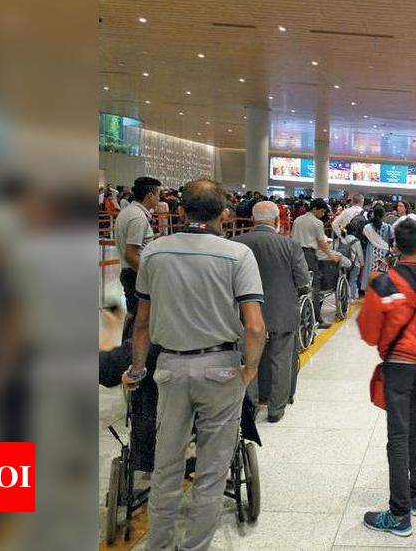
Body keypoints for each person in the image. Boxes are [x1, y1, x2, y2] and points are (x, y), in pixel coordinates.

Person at [121, 179, 267, 551]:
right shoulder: (237, 256)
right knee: (212, 471)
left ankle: (160, 544)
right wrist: (248, 370)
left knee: (166, 467)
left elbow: (141, 322)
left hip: (170, 367)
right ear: (224, 213)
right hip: (220, 366)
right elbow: (254, 326)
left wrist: (138, 369)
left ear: (181, 211)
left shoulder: (154, 253)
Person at [357, 219, 416, 537]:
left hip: (398, 366)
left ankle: (399, 515)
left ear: (395, 246)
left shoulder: (384, 284)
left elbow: (370, 334)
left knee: (397, 437)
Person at [234, 201, 311, 423]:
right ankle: (276, 409)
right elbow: (303, 279)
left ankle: (251, 405)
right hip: (282, 311)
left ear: (252, 219)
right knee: (281, 359)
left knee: (249, 357)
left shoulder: (236, 244)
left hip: (244, 313)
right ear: (277, 221)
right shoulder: (289, 245)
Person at [113, 176, 161, 342]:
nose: (159, 199)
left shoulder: (129, 213)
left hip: (129, 273)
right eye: (158, 194)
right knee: (140, 319)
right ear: (149, 196)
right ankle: (129, 352)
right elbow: (131, 254)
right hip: (135, 274)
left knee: (133, 314)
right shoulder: (138, 218)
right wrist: (149, 276)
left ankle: (125, 349)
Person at [292, 198, 340, 329]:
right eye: (322, 211)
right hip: (308, 255)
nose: (323, 214)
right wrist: (332, 256)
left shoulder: (297, 220)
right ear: (315, 209)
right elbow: (322, 243)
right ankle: (317, 319)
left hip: (294, 253)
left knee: (297, 283)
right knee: (315, 284)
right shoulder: (317, 223)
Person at [360, 203, 393, 291]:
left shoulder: (367, 227)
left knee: (370, 270)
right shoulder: (388, 227)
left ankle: (369, 289)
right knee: (382, 271)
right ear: (384, 215)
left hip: (371, 250)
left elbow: (364, 235)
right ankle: (381, 289)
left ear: (373, 214)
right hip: (384, 252)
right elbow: (392, 238)